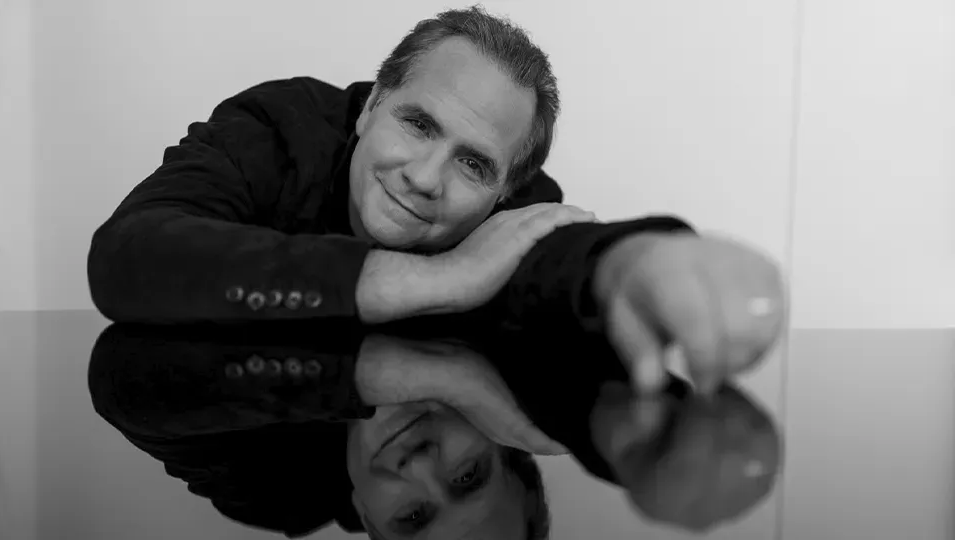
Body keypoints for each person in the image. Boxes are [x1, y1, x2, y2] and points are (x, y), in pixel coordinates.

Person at [87, 5, 785, 437]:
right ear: (371, 105)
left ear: (505, 193)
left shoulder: (520, 207)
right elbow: (127, 258)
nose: (425, 178)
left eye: (473, 165)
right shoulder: (276, 128)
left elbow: (568, 263)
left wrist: (633, 263)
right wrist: (438, 279)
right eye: (416, 123)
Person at [88, 321, 566, 538]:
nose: (420, 467)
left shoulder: (271, 490)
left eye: (413, 518)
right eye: (468, 477)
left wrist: (368, 376)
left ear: (369, 517)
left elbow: (123, 371)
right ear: (504, 436)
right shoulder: (502, 322)